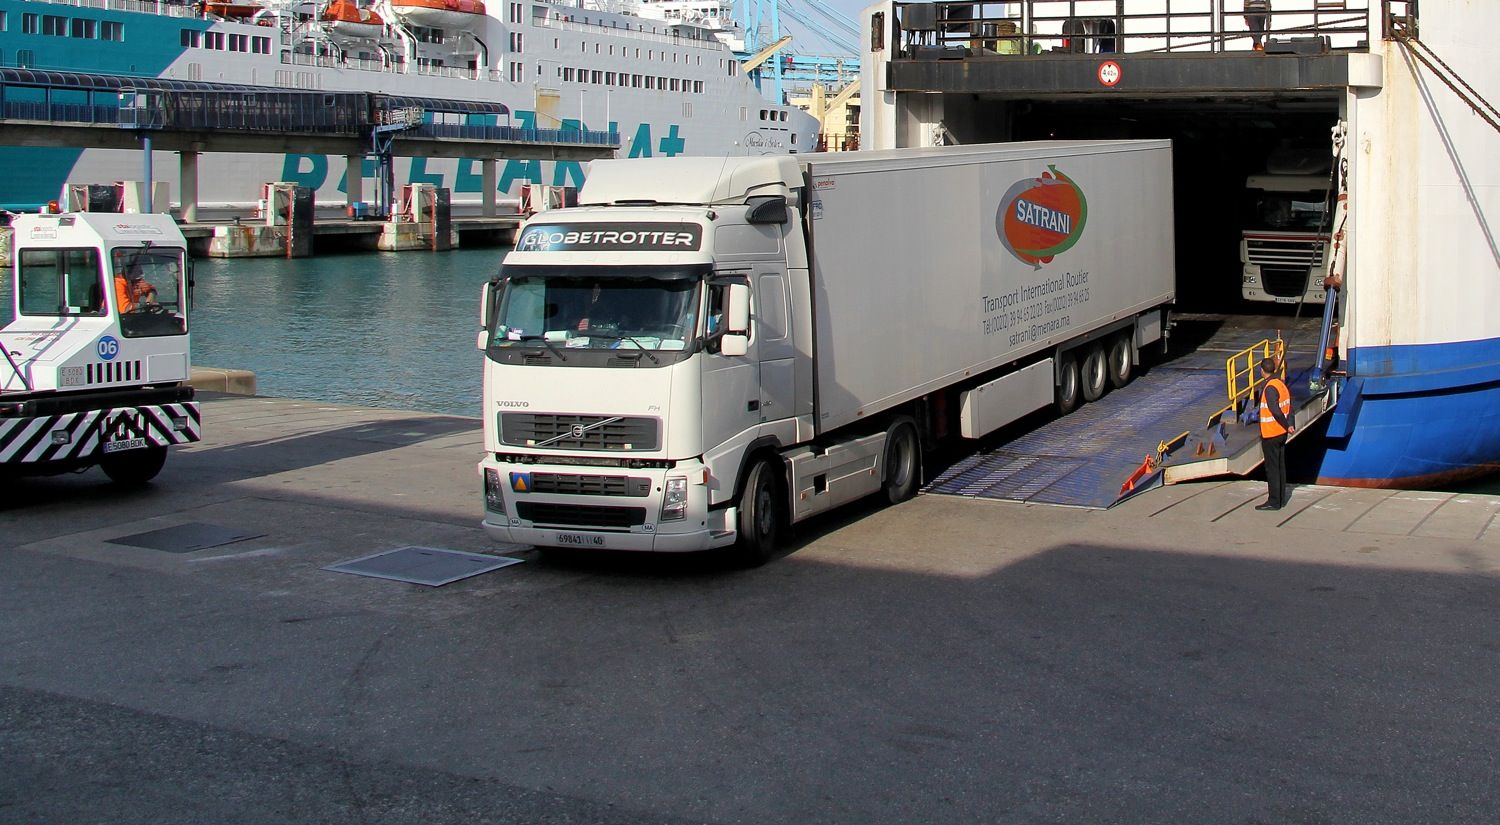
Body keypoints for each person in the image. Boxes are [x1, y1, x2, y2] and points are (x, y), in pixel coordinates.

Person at [1256, 357, 1295, 511]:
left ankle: (1273, 501)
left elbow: (1275, 410)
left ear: (1262, 370)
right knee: (1280, 466)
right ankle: (1281, 498)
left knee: (1272, 468)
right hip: (1281, 434)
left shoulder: (1269, 388)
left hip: (1271, 433)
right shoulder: (1281, 384)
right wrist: (1290, 424)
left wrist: (1286, 425)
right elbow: (1289, 406)